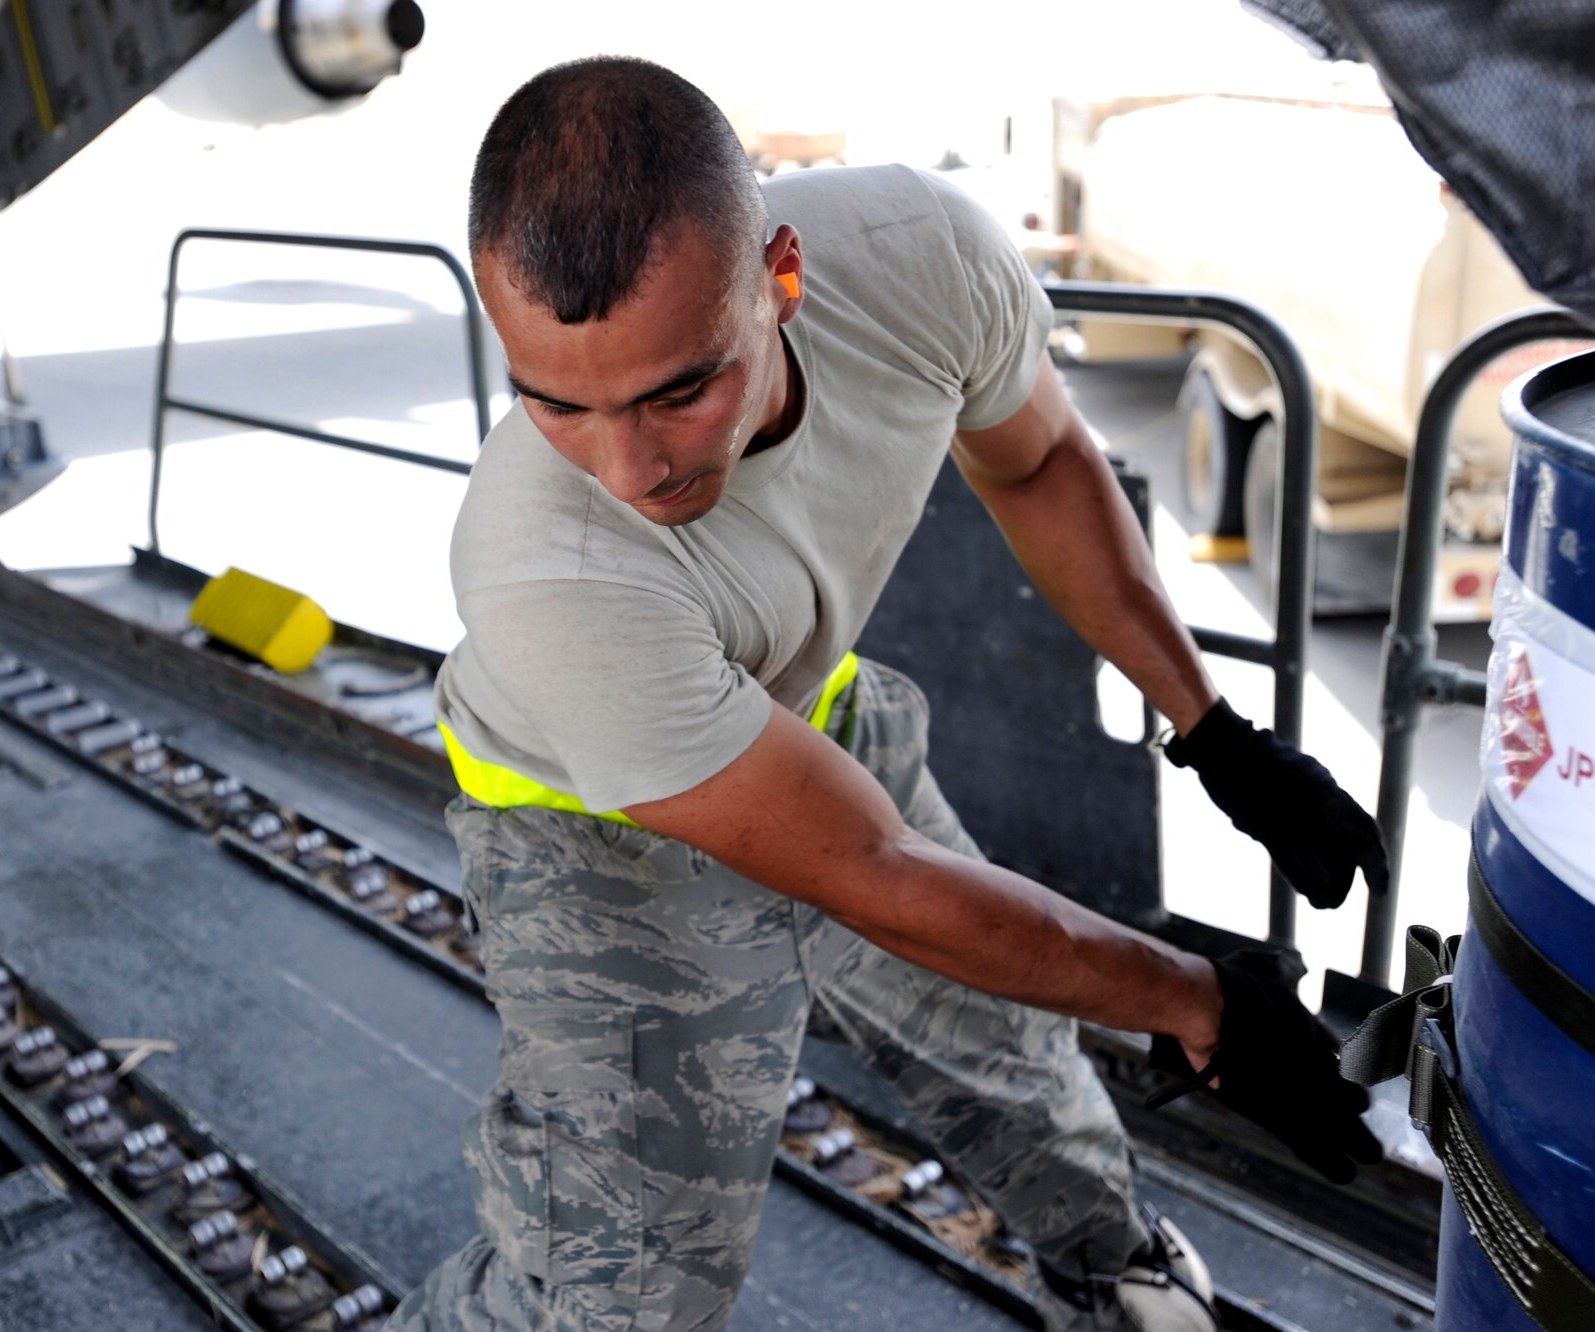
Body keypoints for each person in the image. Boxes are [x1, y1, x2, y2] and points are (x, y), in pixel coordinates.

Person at [395, 56, 1388, 1332]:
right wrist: (1201, 1006)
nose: (626, 468)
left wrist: (1215, 733)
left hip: (802, 718)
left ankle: (1118, 1273)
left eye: (678, 389)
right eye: (555, 404)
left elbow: (1036, 468)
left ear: (783, 279)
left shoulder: (922, 256)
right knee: (631, 1280)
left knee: (1012, 1048)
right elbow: (877, 876)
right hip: (594, 836)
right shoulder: (543, 565)